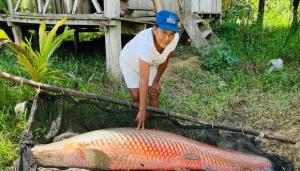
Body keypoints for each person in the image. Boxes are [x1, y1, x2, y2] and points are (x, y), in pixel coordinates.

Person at [119, 9, 180, 129]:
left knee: (153, 92)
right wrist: (142, 109)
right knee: (136, 97)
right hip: (129, 62)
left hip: (150, 62)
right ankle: (139, 123)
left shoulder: (175, 39)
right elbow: (143, 80)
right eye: (164, 32)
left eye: (171, 33)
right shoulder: (145, 43)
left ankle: (154, 124)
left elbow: (165, 60)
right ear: (154, 29)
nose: (167, 38)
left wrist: (156, 81)